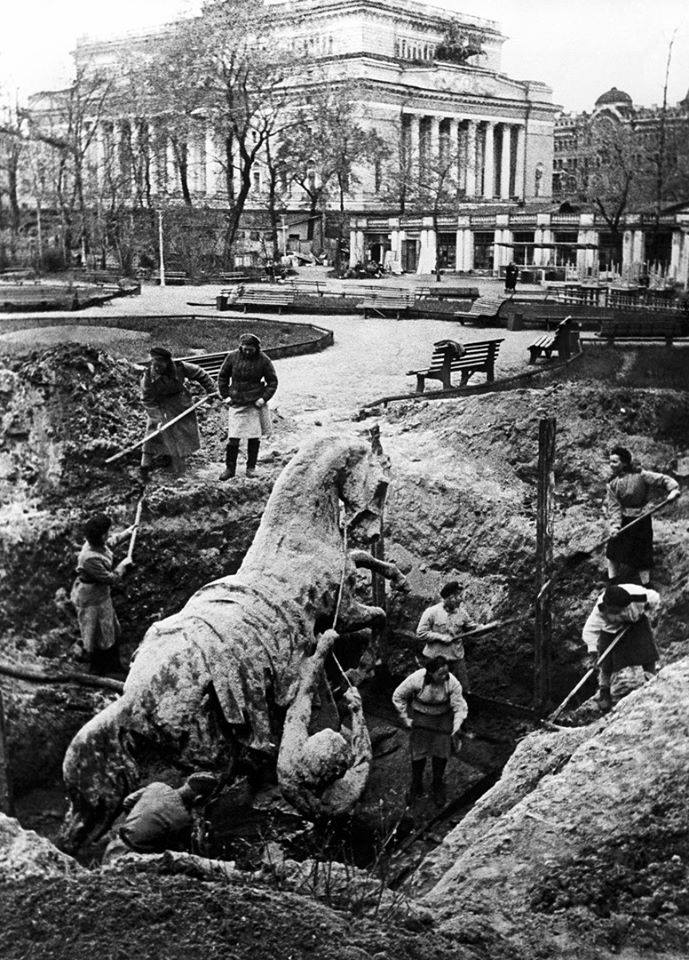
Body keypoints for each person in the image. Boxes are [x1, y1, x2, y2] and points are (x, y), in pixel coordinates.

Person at [277, 629, 372, 820]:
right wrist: (357, 711)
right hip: (333, 810)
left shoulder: (289, 763)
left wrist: (319, 654)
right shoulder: (347, 793)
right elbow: (364, 755)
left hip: (297, 794)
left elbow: (301, 700)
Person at [392, 656, 468, 805]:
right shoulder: (416, 679)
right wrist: (405, 717)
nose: (444, 676)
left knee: (441, 751)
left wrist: (456, 725)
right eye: (440, 674)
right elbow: (398, 696)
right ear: (430, 673)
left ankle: (437, 784)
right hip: (420, 719)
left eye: (446, 673)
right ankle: (416, 784)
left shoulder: (452, 683)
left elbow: (460, 706)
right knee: (419, 752)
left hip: (442, 718)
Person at [140, 346, 216, 482]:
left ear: (167, 362)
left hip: (180, 402)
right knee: (152, 433)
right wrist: (157, 419)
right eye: (154, 364)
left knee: (180, 433)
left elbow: (200, 373)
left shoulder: (180, 367)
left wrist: (211, 390)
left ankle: (179, 467)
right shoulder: (148, 376)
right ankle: (145, 467)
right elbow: (147, 399)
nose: (157, 368)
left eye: (160, 365)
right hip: (159, 405)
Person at [70, 513, 134, 674]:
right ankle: (97, 670)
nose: (108, 535)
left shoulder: (98, 544)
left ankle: (114, 665)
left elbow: (109, 543)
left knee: (110, 629)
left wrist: (128, 533)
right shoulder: (88, 558)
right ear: (99, 536)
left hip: (101, 595)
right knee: (96, 633)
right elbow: (110, 578)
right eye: (106, 532)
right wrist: (123, 566)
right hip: (90, 598)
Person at [103, 772, 218, 862]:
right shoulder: (184, 820)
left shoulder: (156, 786)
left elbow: (127, 802)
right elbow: (181, 851)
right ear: (198, 798)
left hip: (115, 846)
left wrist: (139, 820)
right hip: (135, 858)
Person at [605, 446, 679, 584]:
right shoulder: (611, 483)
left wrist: (673, 490)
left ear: (624, 463)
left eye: (615, 462)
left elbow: (663, 480)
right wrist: (615, 526)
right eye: (610, 462)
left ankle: (646, 584)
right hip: (624, 519)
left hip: (642, 519)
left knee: (642, 553)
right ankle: (612, 582)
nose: (611, 465)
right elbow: (614, 507)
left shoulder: (641, 475)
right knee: (613, 550)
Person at [582, 582, 660, 711]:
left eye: (618, 612)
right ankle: (605, 693)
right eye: (612, 612)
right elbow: (589, 633)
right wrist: (594, 654)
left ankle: (651, 680)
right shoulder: (598, 611)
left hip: (635, 622)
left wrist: (650, 612)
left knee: (647, 651)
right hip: (610, 629)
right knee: (606, 661)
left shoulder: (640, 596)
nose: (616, 616)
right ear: (606, 607)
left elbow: (655, 600)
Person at [217, 333, 278, 480]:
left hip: (254, 403)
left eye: (251, 349)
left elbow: (272, 382)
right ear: (241, 347)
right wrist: (225, 396)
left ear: (256, 348)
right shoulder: (232, 357)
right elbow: (223, 376)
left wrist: (263, 399)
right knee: (233, 438)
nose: (248, 352)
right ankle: (230, 469)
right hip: (236, 402)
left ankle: (251, 468)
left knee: (254, 437)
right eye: (245, 349)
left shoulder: (264, 360)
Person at [416, 581, 477, 691]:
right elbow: (421, 633)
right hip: (435, 660)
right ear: (450, 597)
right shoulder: (432, 612)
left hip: (456, 659)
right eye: (458, 596)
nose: (461, 600)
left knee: (463, 689)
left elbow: (472, 628)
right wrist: (440, 637)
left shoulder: (462, 613)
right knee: (433, 690)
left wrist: (483, 628)